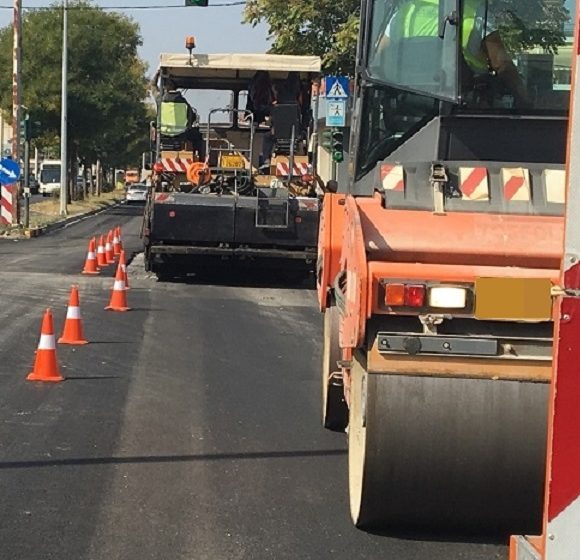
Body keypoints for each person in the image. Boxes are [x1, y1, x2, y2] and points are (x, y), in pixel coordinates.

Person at [372, 0, 530, 108]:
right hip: (463, 109)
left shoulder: (406, 11)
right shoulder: (475, 11)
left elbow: (379, 60)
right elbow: (502, 65)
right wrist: (525, 100)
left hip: (406, 107)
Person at [160, 80, 205, 158]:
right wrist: (189, 124)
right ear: (175, 88)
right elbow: (191, 116)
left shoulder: (160, 101)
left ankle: (157, 154)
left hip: (164, 133)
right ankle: (199, 157)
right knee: (197, 135)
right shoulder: (183, 102)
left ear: (165, 88)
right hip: (181, 133)